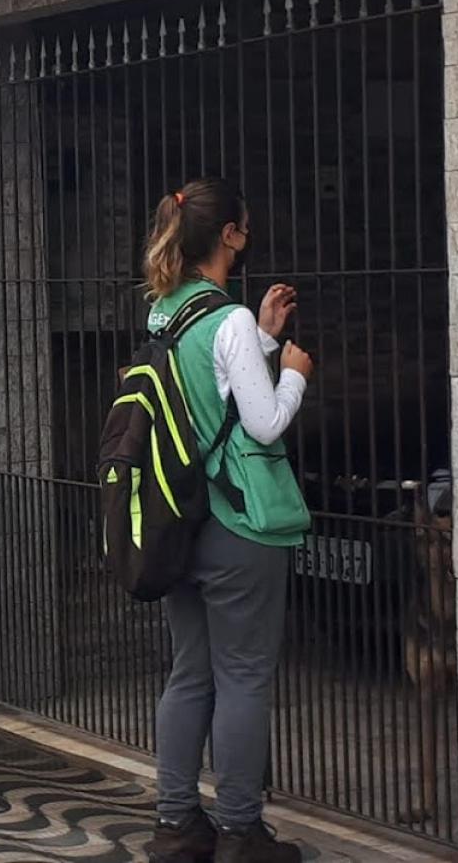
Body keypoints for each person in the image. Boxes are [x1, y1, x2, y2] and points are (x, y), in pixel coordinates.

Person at [143, 178, 314, 863]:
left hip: (180, 522)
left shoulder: (167, 311)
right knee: (244, 675)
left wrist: (264, 341)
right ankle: (242, 831)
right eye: (246, 225)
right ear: (233, 235)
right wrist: (295, 369)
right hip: (238, 523)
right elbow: (263, 421)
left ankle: (177, 824)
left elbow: (209, 403)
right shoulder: (228, 319)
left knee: (190, 674)